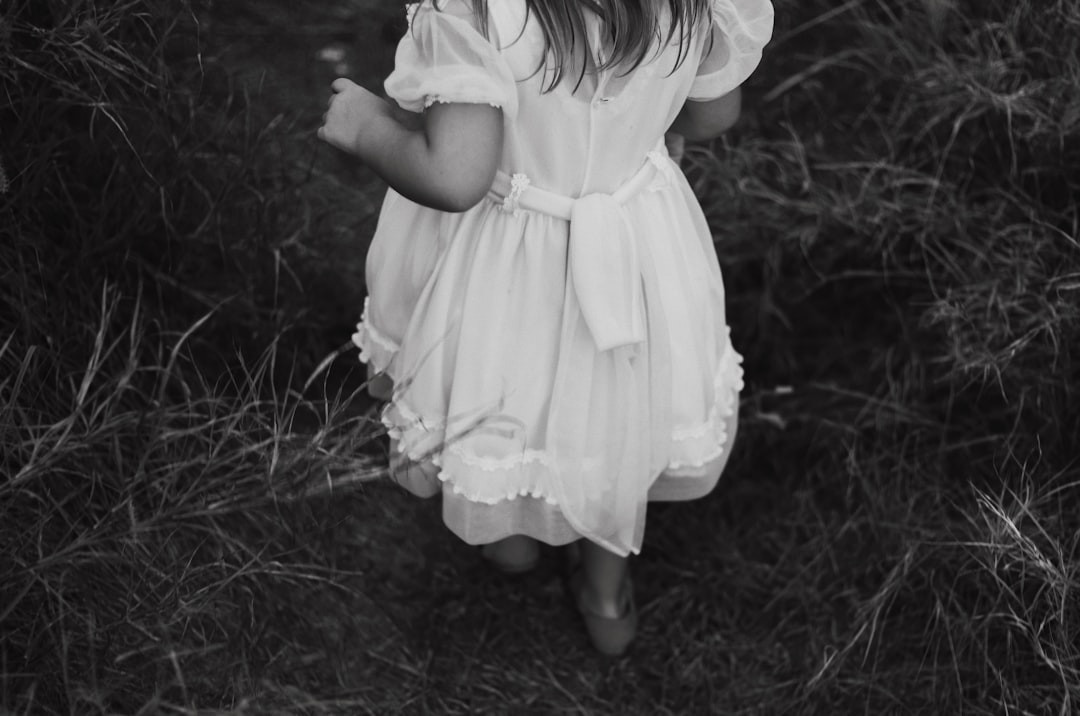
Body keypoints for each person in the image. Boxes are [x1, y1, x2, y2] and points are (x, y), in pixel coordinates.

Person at [318, 0, 773, 656]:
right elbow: (713, 112)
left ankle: (510, 540)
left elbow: (455, 174)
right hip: (634, 236)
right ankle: (606, 595)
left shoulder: (473, 10)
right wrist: (638, 128)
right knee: (618, 408)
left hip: (510, 251)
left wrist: (368, 129)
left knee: (507, 387)